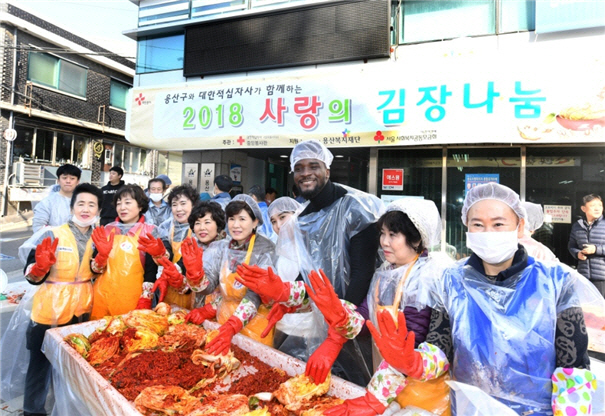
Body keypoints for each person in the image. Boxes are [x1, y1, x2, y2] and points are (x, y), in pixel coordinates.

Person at [366, 182, 599, 415]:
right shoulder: (450, 281)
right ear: (467, 227)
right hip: (468, 409)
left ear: (520, 227)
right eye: (478, 224)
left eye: (498, 224)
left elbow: (574, 367)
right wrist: (415, 363)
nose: (488, 232)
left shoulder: (557, 281)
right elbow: (440, 346)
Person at [325, 198, 452, 415]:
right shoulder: (384, 273)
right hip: (387, 384)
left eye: (393, 235)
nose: (384, 241)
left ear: (417, 238)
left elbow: (416, 337)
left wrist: (379, 391)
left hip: (423, 393)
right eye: (383, 233)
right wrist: (345, 319)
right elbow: (367, 317)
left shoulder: (429, 277)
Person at [287, 139, 384, 385]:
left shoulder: (356, 207)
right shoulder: (302, 218)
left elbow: (364, 271)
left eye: (313, 166)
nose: (306, 173)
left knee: (361, 382)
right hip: (324, 319)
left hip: (358, 316)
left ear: (327, 170)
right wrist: (288, 295)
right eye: (299, 168)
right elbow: (308, 271)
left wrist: (340, 326)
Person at [20, 183, 103, 416]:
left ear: (98, 210)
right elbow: (31, 274)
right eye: (81, 204)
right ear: (72, 206)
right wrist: (39, 267)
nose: (85, 209)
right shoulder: (52, 233)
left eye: (91, 205)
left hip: (81, 311)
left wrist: (102, 260)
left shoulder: (98, 238)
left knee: (72, 367)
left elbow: (97, 271)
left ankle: (67, 410)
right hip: (48, 310)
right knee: (40, 364)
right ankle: (33, 411)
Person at [181, 195, 276, 351]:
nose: (236, 225)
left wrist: (233, 326)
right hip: (223, 321)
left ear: (255, 222)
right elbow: (209, 287)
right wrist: (195, 276)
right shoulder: (223, 247)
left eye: (242, 219)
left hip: (255, 327)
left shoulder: (265, 249)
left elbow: (256, 294)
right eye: (231, 219)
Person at [90, 185, 171, 320]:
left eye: (127, 202)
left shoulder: (150, 231)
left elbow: (152, 271)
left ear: (140, 206)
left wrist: (146, 298)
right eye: (118, 203)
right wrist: (100, 257)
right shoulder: (107, 229)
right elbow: (94, 269)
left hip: (133, 299)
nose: (122, 207)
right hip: (102, 297)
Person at [158, 201, 227, 321]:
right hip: (196, 311)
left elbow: (233, 292)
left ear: (218, 224)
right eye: (197, 223)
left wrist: (210, 309)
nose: (202, 227)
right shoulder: (193, 245)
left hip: (222, 314)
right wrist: (173, 278)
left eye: (207, 222)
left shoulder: (227, 249)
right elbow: (182, 268)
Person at [154, 185, 199, 309]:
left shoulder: (200, 227)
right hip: (169, 284)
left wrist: (177, 270)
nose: (179, 209)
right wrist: (163, 254)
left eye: (183, 203)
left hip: (192, 287)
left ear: (193, 205)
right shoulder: (166, 226)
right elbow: (166, 248)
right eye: (174, 204)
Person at [568, 193, 605, 297]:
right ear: (583, 208)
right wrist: (577, 254)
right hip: (583, 276)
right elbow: (571, 246)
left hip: (602, 277)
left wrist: (596, 249)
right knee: (587, 309)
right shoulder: (577, 226)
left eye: (600, 205)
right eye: (593, 206)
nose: (597, 209)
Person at [32, 164, 81, 233]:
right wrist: (63, 234)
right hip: (54, 242)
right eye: (64, 178)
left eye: (72, 178)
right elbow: (38, 227)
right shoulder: (47, 202)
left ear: (78, 181)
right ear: (58, 180)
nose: (68, 181)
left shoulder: (84, 202)